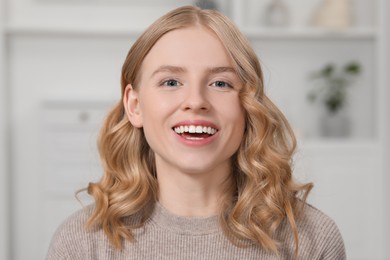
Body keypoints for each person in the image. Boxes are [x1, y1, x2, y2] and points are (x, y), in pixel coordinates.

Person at [46, 5, 346, 259]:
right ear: (134, 105)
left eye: (220, 83)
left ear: (248, 106)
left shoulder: (310, 241)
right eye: (171, 82)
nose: (196, 102)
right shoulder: (82, 244)